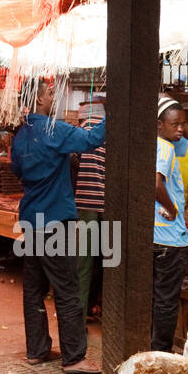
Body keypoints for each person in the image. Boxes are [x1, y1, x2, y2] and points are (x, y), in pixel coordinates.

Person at [10, 78, 106, 374]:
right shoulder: (52, 129)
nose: (54, 96)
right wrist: (112, 112)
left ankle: (37, 350)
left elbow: (17, 170)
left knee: (34, 289)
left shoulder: (20, 135)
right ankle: (74, 357)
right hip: (54, 220)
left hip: (31, 218)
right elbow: (91, 140)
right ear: (39, 99)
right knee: (67, 288)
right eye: (50, 92)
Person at [153, 96, 188, 352]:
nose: (180, 129)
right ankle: (161, 355)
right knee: (166, 302)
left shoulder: (159, 145)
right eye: (175, 124)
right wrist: (172, 208)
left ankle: (150, 350)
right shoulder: (164, 148)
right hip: (170, 239)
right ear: (159, 125)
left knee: (154, 300)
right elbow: (156, 184)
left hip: (155, 236)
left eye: (182, 124)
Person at [73, 96, 107, 320]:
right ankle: (105, 310)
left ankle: (80, 314)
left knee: (83, 264)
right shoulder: (109, 131)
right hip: (105, 204)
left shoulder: (80, 131)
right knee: (108, 261)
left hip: (82, 205)